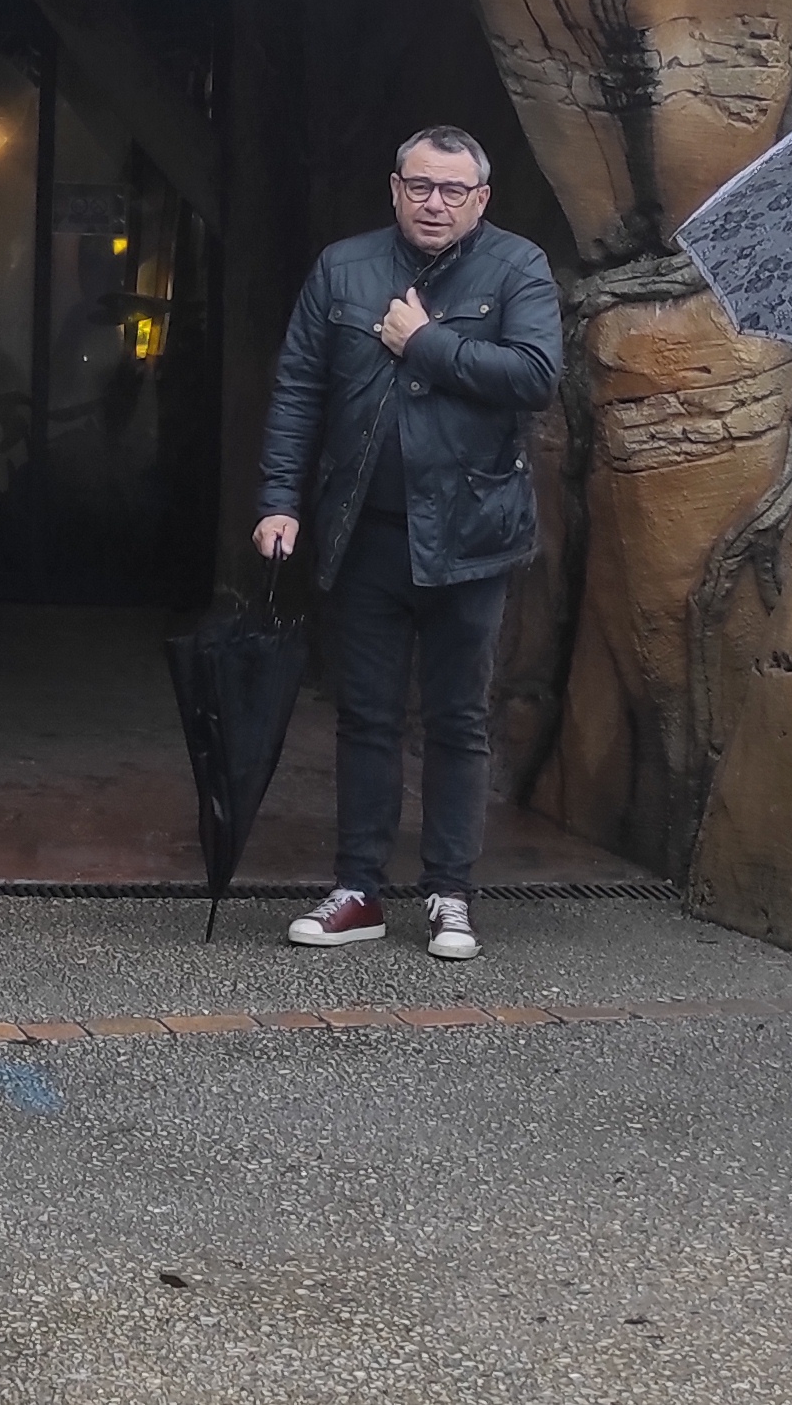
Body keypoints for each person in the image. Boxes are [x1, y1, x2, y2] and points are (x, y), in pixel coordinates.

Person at [251, 127, 562, 962]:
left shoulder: (519, 267)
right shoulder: (342, 268)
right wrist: (279, 500)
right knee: (366, 718)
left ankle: (450, 895)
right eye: (420, 186)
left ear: (481, 199)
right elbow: (298, 390)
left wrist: (426, 343)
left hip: (473, 534)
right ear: (394, 188)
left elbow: (537, 375)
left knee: (459, 719)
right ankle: (358, 890)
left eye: (453, 191)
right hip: (366, 531)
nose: (435, 203)